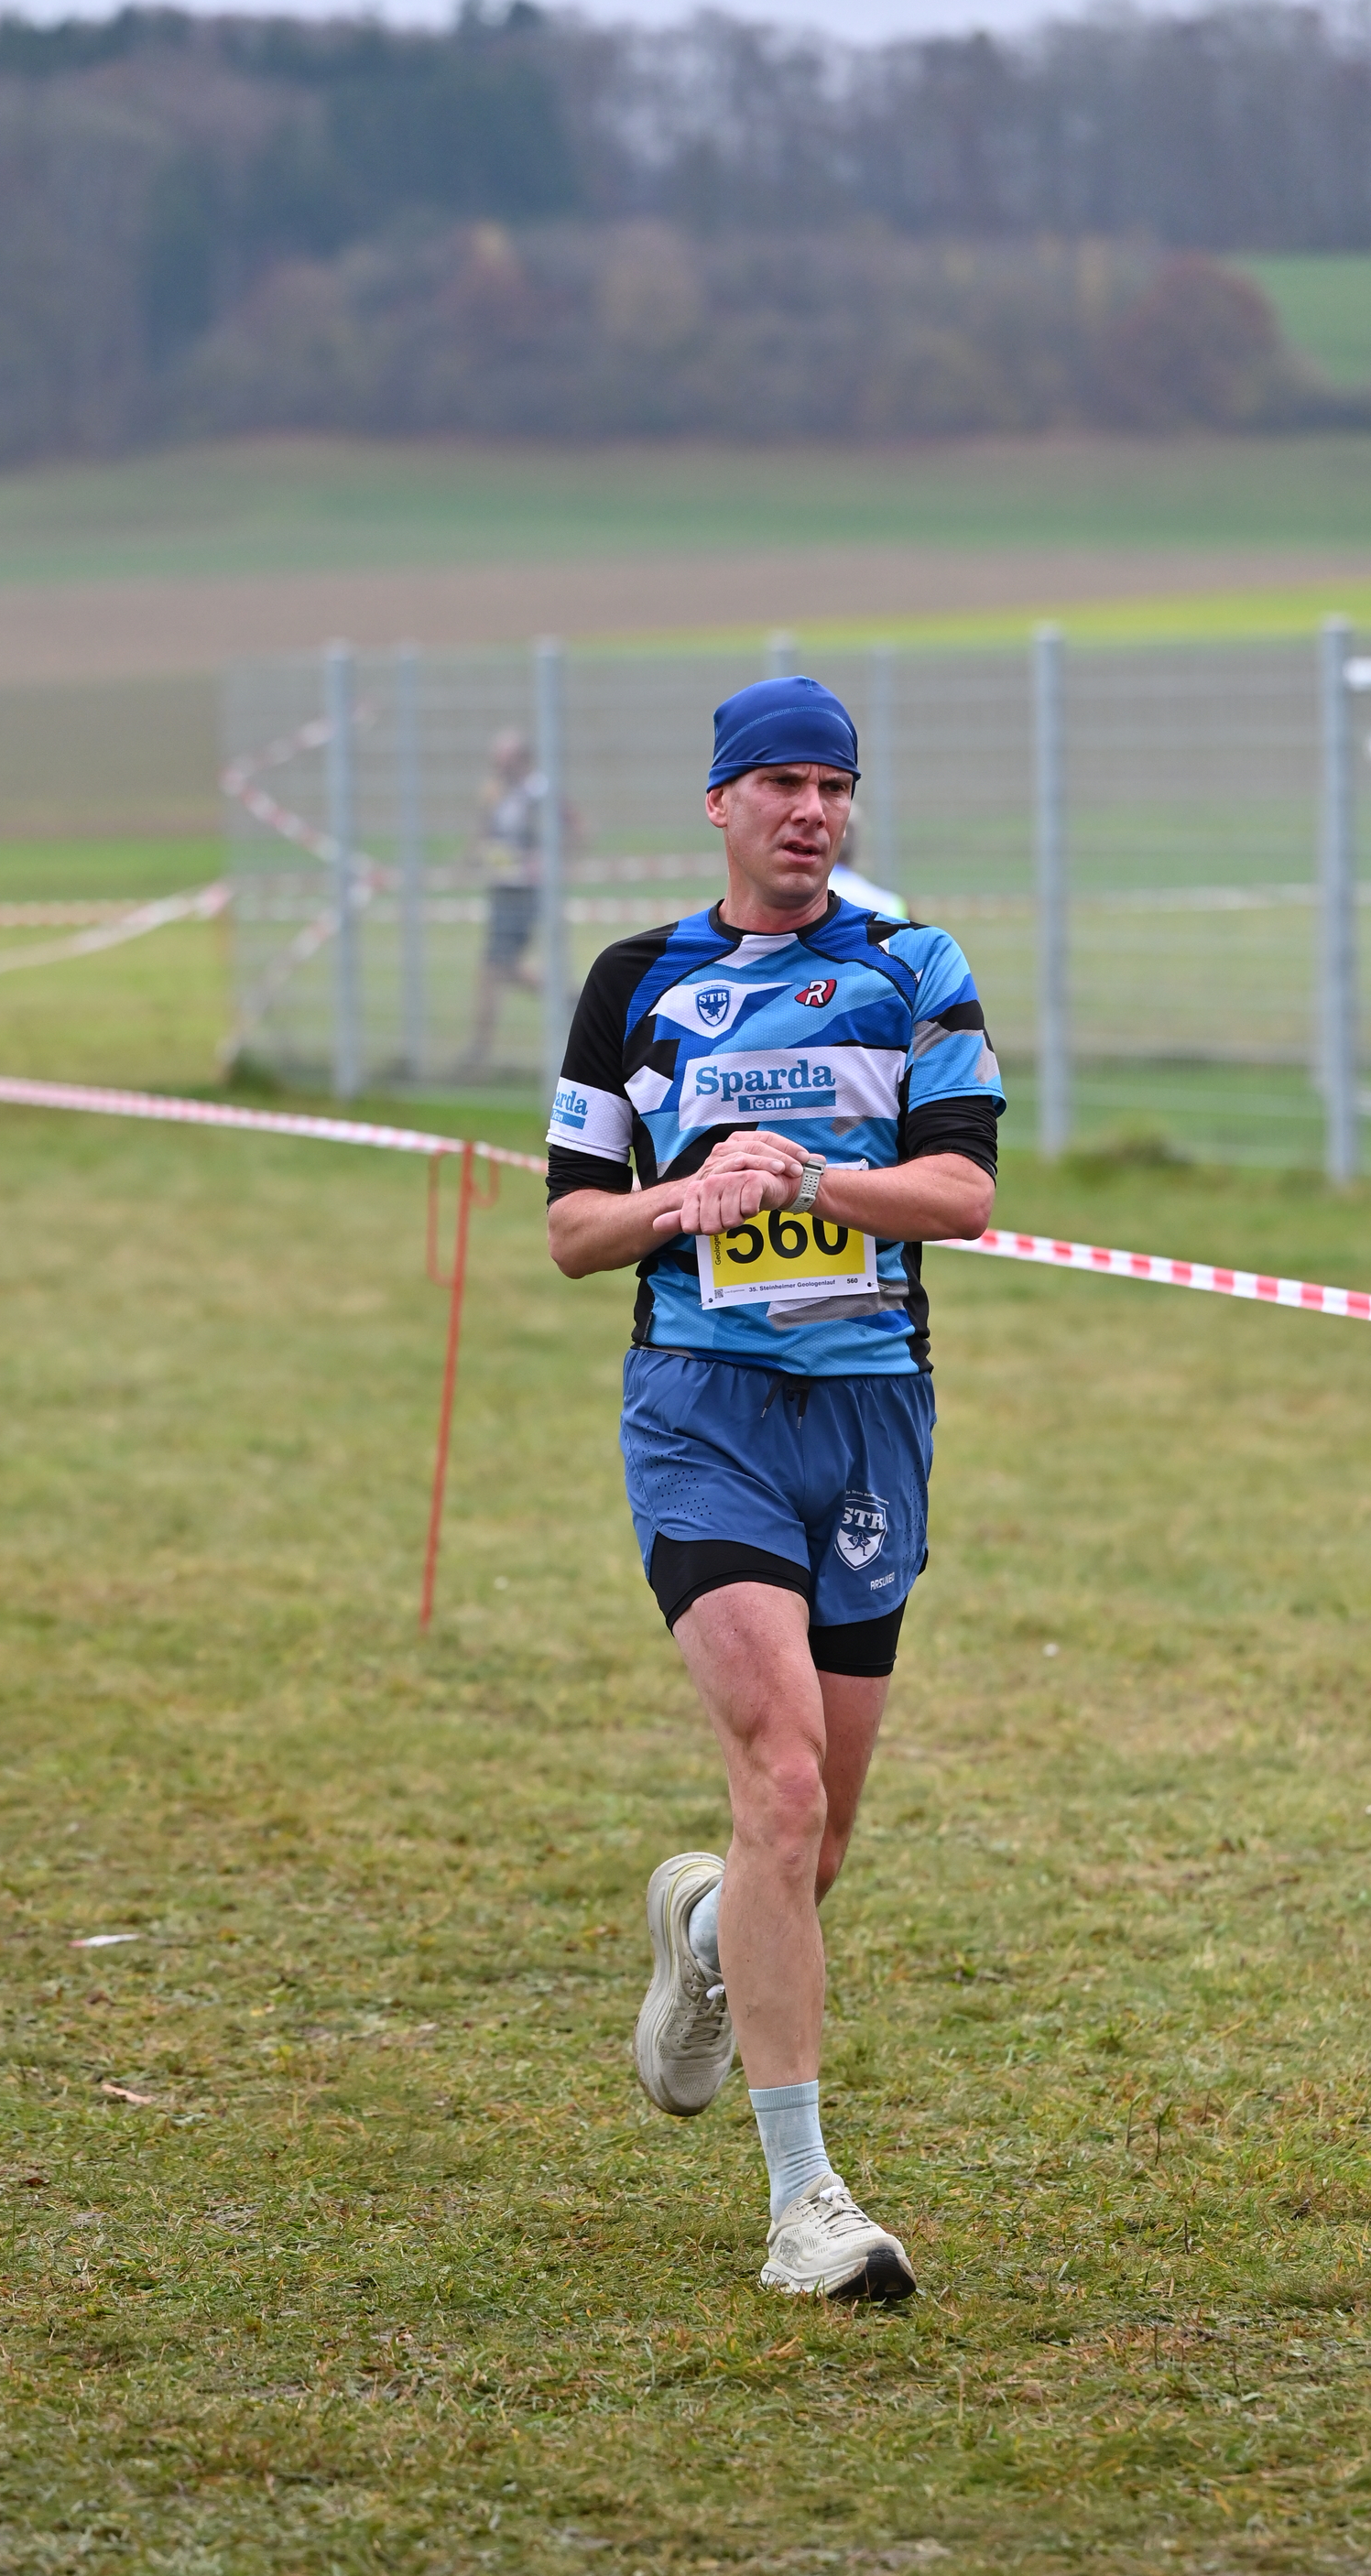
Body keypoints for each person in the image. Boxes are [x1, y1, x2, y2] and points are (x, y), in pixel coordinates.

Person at [545, 678, 1001, 2301]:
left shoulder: (913, 967)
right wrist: (686, 1198)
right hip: (703, 1411)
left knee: (813, 1844)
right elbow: (572, 1227)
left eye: (833, 785)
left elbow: (961, 1192)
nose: (811, 811)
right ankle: (805, 2200)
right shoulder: (636, 981)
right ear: (720, 804)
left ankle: (700, 1933)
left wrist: (809, 1175)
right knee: (783, 1784)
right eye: (780, 784)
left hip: (870, 1416)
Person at [463, 728, 554, 1073]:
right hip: (502, 890)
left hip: (524, 892)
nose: (500, 769)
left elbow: (572, 831)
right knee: (499, 968)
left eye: (506, 762)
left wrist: (542, 861)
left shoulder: (538, 793)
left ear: (523, 760)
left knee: (493, 969)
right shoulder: (497, 793)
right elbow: (482, 837)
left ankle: (479, 1049)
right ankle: (569, 998)